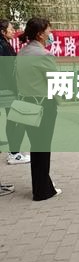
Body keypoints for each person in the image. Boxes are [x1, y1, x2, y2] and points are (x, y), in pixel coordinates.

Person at [16, 17, 61, 201]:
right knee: (43, 147)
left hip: (25, 104)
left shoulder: (22, 52)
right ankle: (42, 191)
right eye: (49, 30)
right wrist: (58, 101)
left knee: (36, 147)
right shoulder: (44, 55)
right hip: (43, 105)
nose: (51, 34)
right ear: (40, 34)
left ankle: (42, 185)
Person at [0, 20, 29, 169]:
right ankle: (14, 153)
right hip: (7, 89)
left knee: (12, 119)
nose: (13, 31)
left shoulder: (4, 44)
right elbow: (9, 70)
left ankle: (14, 152)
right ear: (3, 32)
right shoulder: (3, 46)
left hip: (6, 88)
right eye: (11, 29)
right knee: (15, 120)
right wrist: (17, 88)